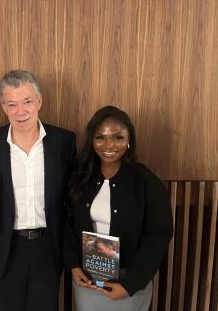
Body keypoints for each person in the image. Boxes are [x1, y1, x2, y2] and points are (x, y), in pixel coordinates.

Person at [0, 70, 77, 311]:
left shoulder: (63, 141)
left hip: (48, 245)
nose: (20, 111)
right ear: (3, 106)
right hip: (8, 246)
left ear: (39, 101)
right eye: (11, 104)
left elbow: (72, 197)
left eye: (27, 102)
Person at [64, 105, 173, 311]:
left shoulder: (146, 182)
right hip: (89, 280)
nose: (109, 144)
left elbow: (158, 237)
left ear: (129, 140)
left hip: (129, 284)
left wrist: (130, 284)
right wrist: (73, 265)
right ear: (92, 141)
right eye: (100, 137)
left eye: (118, 137)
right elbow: (66, 222)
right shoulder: (80, 178)